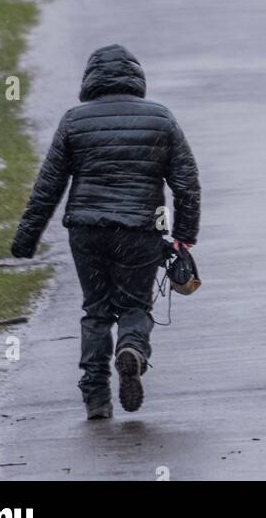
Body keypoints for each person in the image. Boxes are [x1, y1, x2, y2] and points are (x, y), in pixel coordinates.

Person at [10, 44, 200, 419]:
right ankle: (130, 350)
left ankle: (96, 397)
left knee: (96, 311)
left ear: (91, 80)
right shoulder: (161, 118)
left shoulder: (74, 120)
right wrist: (184, 234)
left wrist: (25, 240)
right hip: (140, 230)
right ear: (136, 79)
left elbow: (48, 186)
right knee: (135, 305)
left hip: (86, 229)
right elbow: (186, 182)